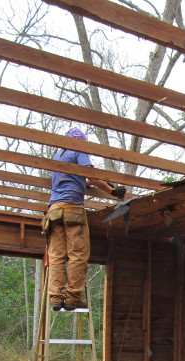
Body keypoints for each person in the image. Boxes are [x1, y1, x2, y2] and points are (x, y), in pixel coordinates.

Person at [44, 127, 126, 311]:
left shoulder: (58, 155)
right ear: (80, 140)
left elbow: (77, 178)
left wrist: (93, 184)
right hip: (72, 208)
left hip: (54, 210)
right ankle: (73, 298)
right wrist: (111, 191)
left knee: (56, 255)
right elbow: (90, 174)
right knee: (78, 254)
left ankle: (56, 298)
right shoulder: (78, 149)